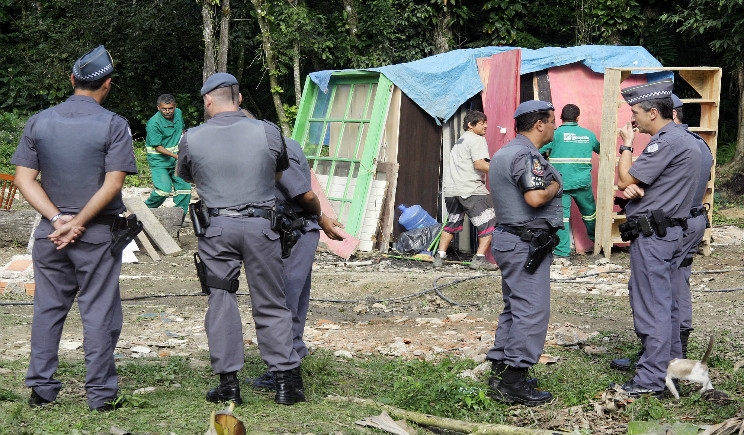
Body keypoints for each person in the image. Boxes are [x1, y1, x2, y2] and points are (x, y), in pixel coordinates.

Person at [11, 45, 137, 411]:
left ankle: (41, 390)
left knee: (47, 310)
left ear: (72, 80)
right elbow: (113, 185)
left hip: (50, 235)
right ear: (107, 85)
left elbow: (23, 179)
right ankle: (100, 396)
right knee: (99, 311)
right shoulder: (114, 124)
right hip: (96, 234)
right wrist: (78, 223)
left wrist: (57, 220)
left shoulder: (39, 121)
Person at [177, 72, 304, 406]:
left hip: (217, 228)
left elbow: (190, 174)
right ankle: (286, 383)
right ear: (239, 98)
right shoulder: (268, 131)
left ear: (207, 101)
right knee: (271, 301)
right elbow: (276, 173)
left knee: (220, 301)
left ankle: (229, 385)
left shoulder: (191, 138)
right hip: (262, 227)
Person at [241, 109, 346, 390]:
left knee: (281, 302)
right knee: (293, 300)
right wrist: (321, 219)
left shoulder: (269, 148)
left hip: (291, 234)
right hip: (301, 230)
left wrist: (319, 216)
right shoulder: (289, 143)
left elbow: (304, 194)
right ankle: (293, 355)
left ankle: (283, 371)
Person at [610, 93, 714, 371]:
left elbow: (625, 179)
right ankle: (671, 359)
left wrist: (627, 153)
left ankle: (655, 366)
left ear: (661, 113)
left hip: (665, 226)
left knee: (656, 296)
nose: (633, 119)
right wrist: (639, 189)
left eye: (636, 113)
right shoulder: (697, 143)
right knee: (673, 289)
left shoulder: (669, 142)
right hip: (687, 221)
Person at [485, 100, 563, 406]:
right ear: (539, 124)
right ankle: (514, 383)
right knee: (532, 311)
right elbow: (535, 197)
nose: (555, 127)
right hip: (523, 243)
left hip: (511, 240)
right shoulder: (525, 155)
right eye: (553, 121)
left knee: (515, 308)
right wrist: (556, 184)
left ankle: (500, 370)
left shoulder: (505, 151)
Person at [433, 110, 498, 271]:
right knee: (490, 223)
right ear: (470, 125)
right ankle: (479, 259)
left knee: (453, 222)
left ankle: (440, 257)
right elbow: (479, 164)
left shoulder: (460, 141)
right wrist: (501, 170)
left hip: (452, 191)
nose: (486, 126)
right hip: (471, 190)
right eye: (482, 123)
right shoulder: (477, 139)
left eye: (485, 122)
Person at [540, 104, 600, 259]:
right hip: (583, 183)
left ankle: (562, 252)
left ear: (561, 117)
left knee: (562, 218)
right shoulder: (588, 135)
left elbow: (538, 151)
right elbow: (603, 150)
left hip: (561, 184)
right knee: (590, 215)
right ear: (578, 118)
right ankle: (598, 245)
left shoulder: (555, 134)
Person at [144, 94, 191, 215]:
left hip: (176, 160)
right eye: (164, 108)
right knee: (163, 191)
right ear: (158, 107)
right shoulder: (153, 123)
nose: (167, 111)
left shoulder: (179, 113)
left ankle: (179, 215)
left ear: (175, 106)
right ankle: (144, 211)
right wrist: (176, 156)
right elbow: (157, 146)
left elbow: (182, 130)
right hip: (160, 162)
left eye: (170, 108)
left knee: (184, 189)